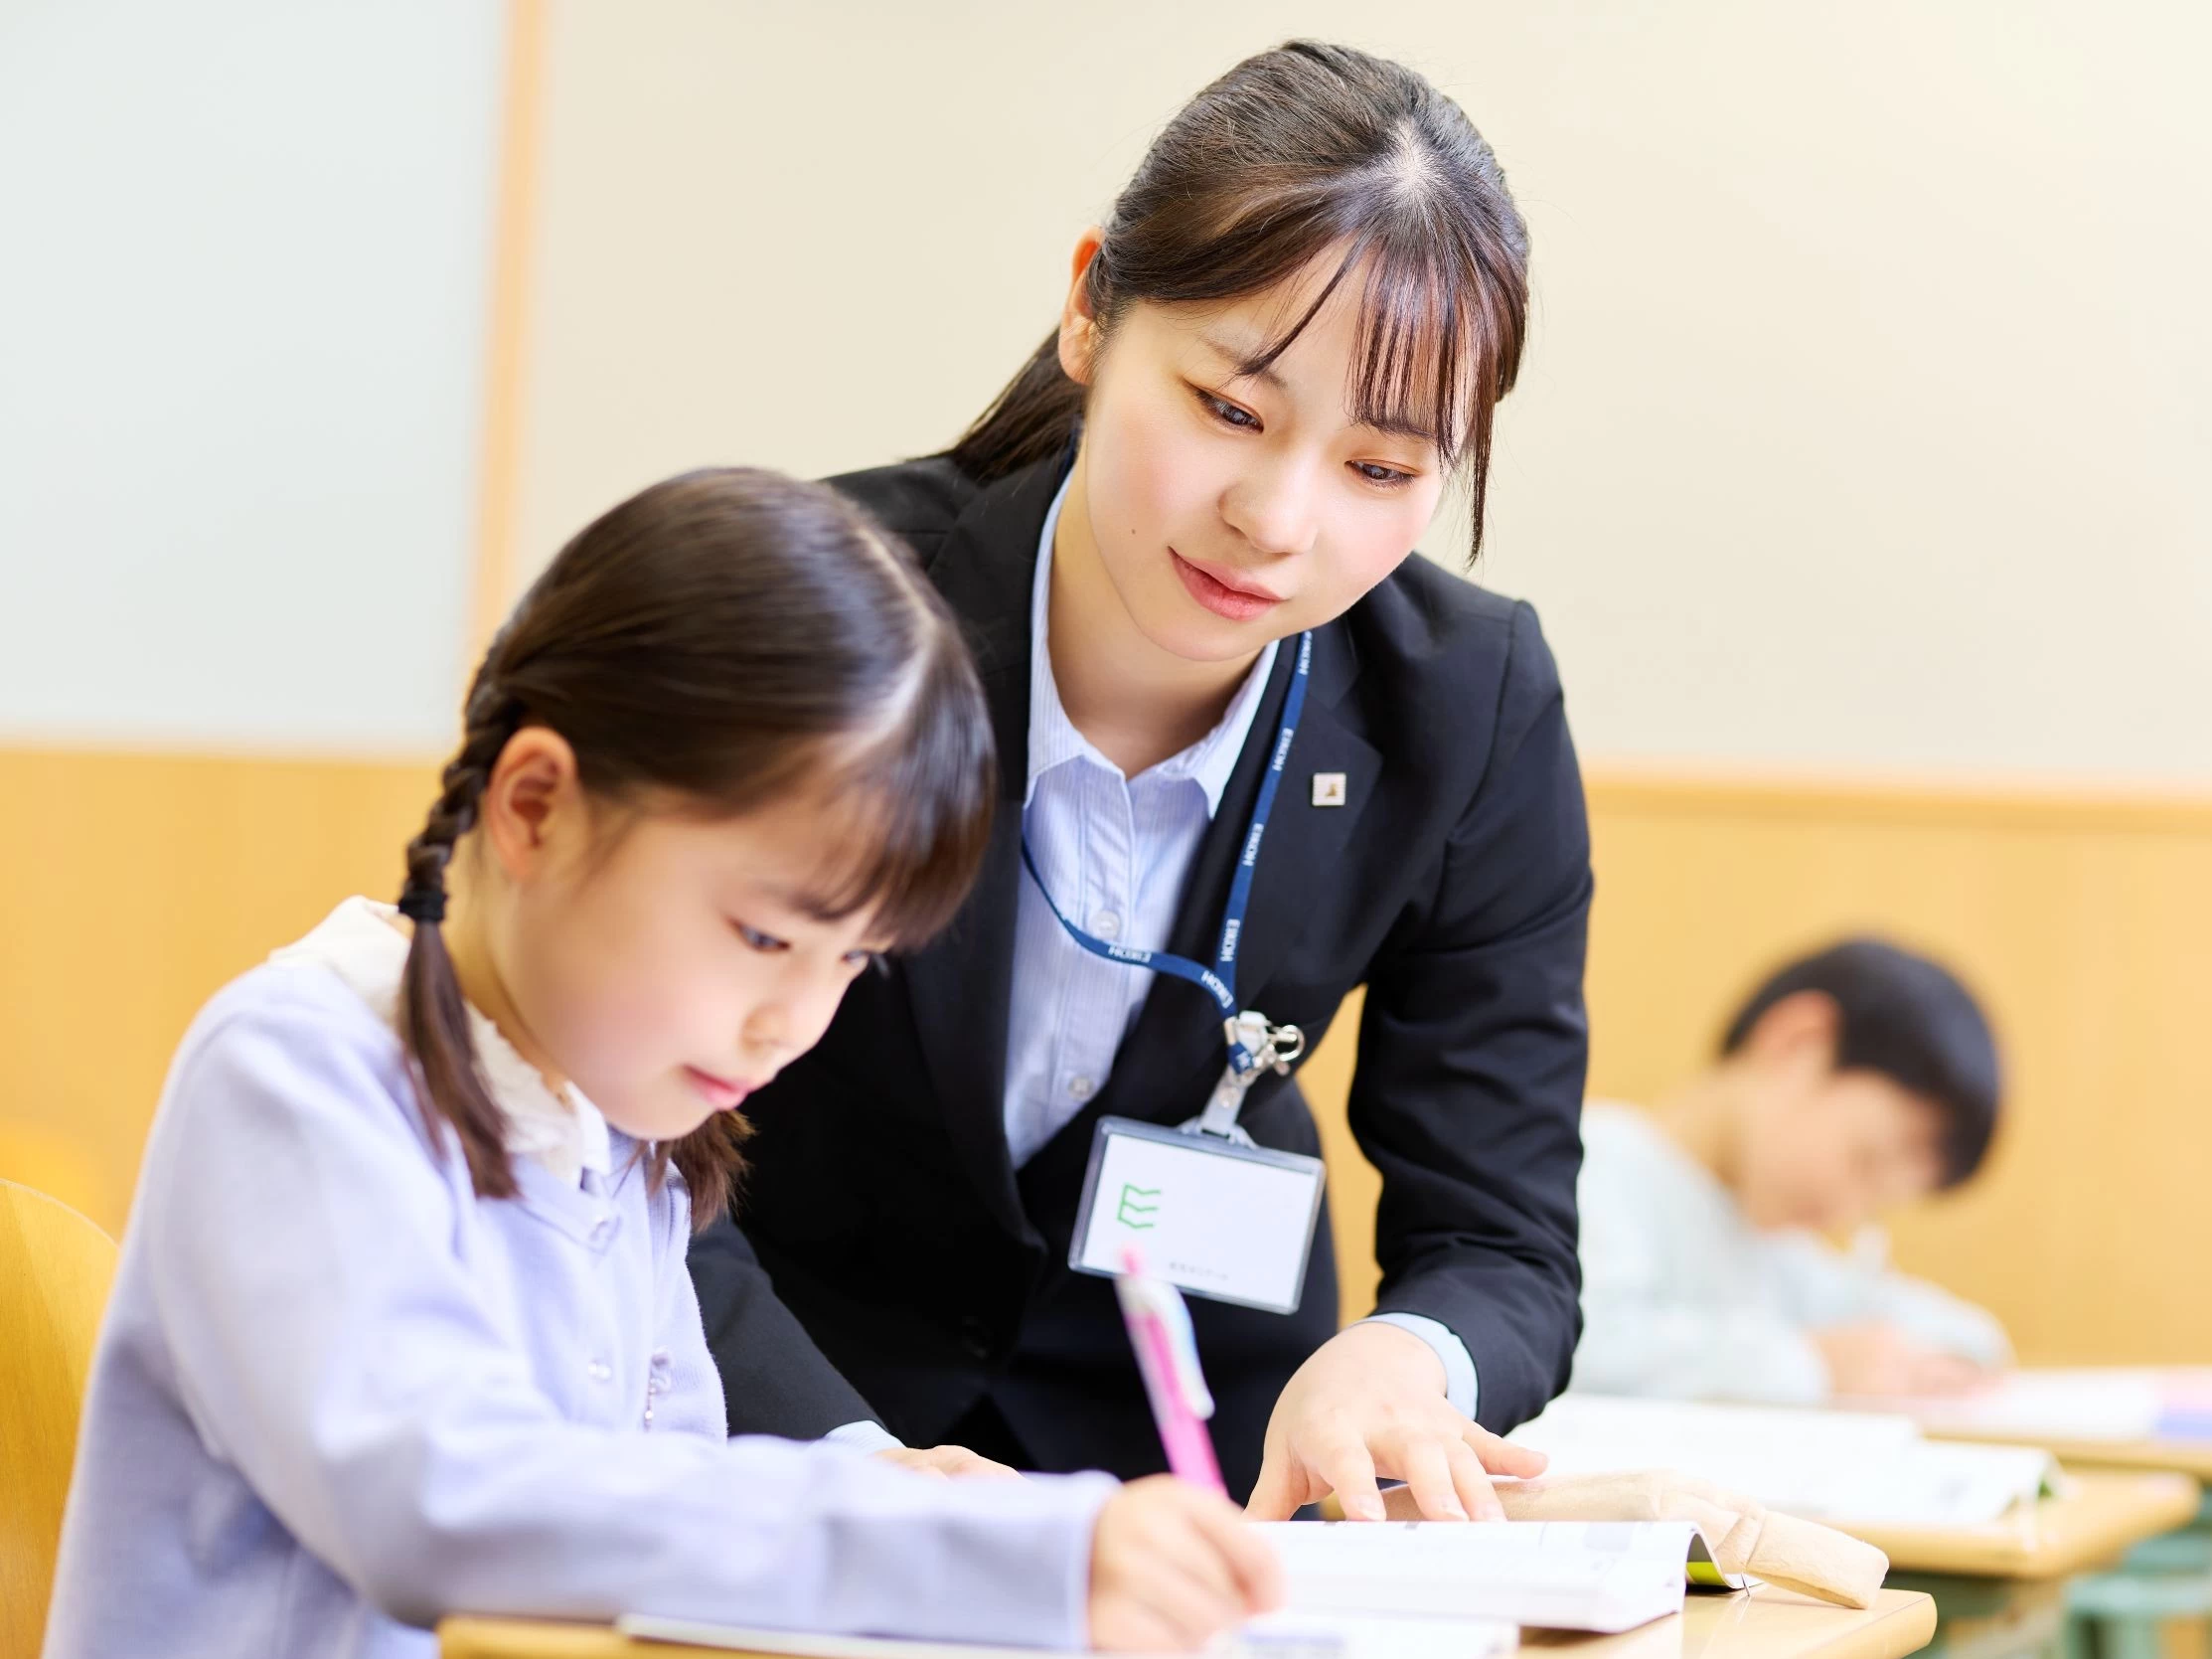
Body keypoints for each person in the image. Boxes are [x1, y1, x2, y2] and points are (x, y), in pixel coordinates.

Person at [42, 469, 1278, 1658]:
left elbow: (666, 1482)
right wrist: (949, 1545)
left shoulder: (616, 1120)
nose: (793, 1021)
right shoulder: (300, 1074)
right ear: (536, 806)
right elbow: (444, 1500)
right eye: (764, 936)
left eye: (853, 963)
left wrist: (879, 1478)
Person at [690, 40, 1584, 1525]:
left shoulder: (1468, 704)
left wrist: (1406, 1362)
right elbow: (594, 1109)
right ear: (1091, 309)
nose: (1275, 518)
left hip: (1210, 1488)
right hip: (774, 1449)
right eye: (1230, 408)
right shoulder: (814, 609)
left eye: (1379, 470)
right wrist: (839, 1468)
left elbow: (1499, 1240)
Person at [1573, 938, 2011, 1405]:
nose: (1848, 1211)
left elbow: (1939, 1326)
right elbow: (1582, 1347)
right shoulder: (1594, 1164)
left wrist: (1959, 1354)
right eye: (1865, 1160)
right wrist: (1812, 1363)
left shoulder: (1778, 1246)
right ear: (1798, 1043)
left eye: (1878, 1204)